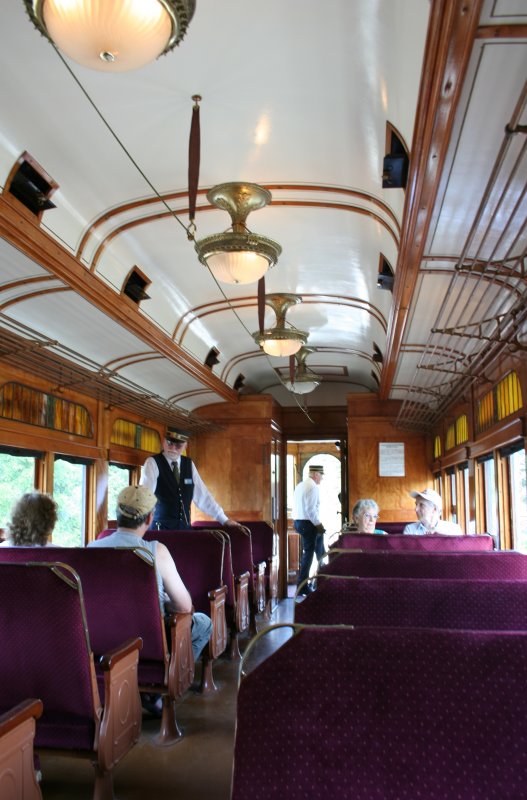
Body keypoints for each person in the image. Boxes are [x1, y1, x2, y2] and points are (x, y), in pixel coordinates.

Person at [88, 485, 212, 664]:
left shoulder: (92, 548)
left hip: (103, 639)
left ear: (118, 515)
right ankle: (174, 675)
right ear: (149, 518)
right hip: (149, 641)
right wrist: (164, 601)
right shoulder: (156, 551)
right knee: (204, 622)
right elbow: (185, 607)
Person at [140, 427, 244, 531]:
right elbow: (144, 495)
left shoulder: (188, 464)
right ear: (163, 442)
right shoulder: (152, 463)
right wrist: (138, 526)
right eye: (169, 443)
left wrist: (224, 520)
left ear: (185, 446)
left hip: (184, 529)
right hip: (160, 529)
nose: (172, 448)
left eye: (178, 446)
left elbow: (203, 496)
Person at [293, 465, 326, 595]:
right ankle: (303, 586)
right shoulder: (312, 487)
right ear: (316, 474)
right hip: (308, 523)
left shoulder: (300, 485)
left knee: (318, 549)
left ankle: (322, 574)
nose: (322, 479)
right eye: (321, 476)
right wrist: (319, 525)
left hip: (299, 522)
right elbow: (310, 509)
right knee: (309, 554)